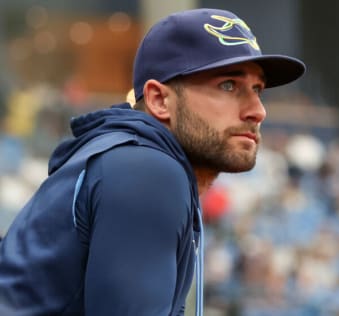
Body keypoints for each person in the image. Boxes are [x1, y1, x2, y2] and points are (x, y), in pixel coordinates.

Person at [0, 8, 305, 316]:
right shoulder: (146, 169)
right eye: (228, 85)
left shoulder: (130, 159)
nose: (258, 111)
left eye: (258, 90)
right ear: (159, 100)